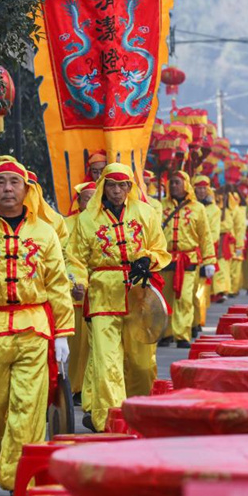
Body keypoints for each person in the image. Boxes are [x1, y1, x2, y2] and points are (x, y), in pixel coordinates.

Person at [0, 156, 73, 492]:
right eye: (1, 182)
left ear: (26, 189)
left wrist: (62, 332)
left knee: (27, 408)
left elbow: (58, 285)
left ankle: (17, 481)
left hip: (33, 327)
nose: (7, 189)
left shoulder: (44, 232)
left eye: (14, 182)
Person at [68, 164, 170, 431]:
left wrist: (149, 258)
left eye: (122, 185)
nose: (116, 190)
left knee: (141, 363)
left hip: (139, 295)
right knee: (106, 362)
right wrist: (78, 282)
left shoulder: (145, 213)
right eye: (111, 185)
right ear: (103, 187)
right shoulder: (86, 220)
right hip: (102, 295)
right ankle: (112, 421)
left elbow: (160, 249)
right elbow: (75, 258)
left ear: (129, 188)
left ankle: (140, 413)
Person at [159, 171, 216, 348]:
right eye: (171, 183)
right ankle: (165, 333)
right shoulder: (161, 206)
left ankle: (182, 334)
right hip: (166, 259)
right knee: (164, 299)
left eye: (177, 182)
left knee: (184, 298)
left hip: (188, 260)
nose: (173, 186)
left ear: (185, 184)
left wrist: (209, 260)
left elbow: (205, 236)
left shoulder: (197, 208)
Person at [64, 181, 96, 405]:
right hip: (76, 290)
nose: (91, 202)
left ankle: (92, 388)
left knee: (98, 346)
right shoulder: (68, 224)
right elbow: (64, 257)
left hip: (102, 291)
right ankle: (76, 387)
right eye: (87, 198)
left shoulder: (103, 223)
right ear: (79, 201)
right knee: (78, 345)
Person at [192, 175, 220, 335]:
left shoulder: (213, 210)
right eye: (198, 188)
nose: (201, 191)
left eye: (204, 188)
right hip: (188, 252)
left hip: (203, 252)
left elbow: (214, 234)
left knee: (200, 290)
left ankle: (197, 320)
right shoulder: (189, 206)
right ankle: (192, 321)